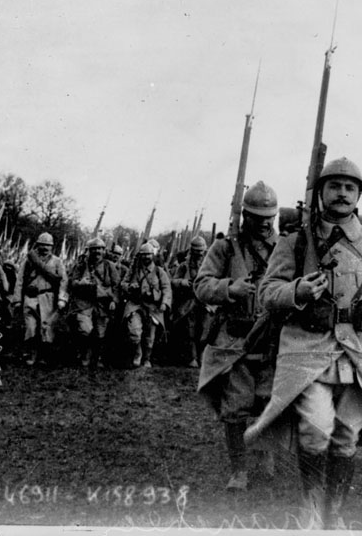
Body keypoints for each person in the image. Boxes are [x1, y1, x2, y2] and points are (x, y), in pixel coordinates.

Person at [245, 157, 362, 529]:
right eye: (333, 186)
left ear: (358, 196)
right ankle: (311, 507)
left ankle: (333, 514)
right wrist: (298, 290)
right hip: (309, 348)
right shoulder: (296, 240)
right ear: (320, 192)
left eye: (349, 187)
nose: (341, 193)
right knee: (316, 430)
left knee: (346, 436)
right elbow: (267, 293)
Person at [194, 181, 280, 492]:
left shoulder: (285, 248)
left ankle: (265, 455)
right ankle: (239, 469)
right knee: (235, 406)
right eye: (258, 216)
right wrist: (230, 288)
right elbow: (201, 285)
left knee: (269, 401)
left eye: (269, 216)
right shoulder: (224, 248)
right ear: (245, 215)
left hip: (272, 339)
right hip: (235, 341)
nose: (265, 222)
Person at [12, 233, 69, 366]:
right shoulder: (29, 261)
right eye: (42, 245)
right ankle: (32, 355)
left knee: (46, 328)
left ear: (52, 247)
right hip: (30, 296)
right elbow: (20, 280)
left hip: (48, 298)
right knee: (31, 327)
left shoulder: (57, 261)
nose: (45, 248)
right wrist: (17, 300)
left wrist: (62, 298)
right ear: (37, 245)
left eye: (48, 245)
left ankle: (44, 356)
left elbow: (63, 281)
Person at [67, 238, 121, 368]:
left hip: (103, 304)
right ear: (89, 251)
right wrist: (80, 283)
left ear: (104, 250)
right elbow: (71, 282)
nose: (97, 251)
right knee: (85, 329)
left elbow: (116, 286)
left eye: (99, 249)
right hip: (83, 303)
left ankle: (98, 357)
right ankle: (85, 353)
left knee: (100, 333)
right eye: (93, 249)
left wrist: (114, 300)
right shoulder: (80, 265)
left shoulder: (109, 266)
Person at [120, 242, 172, 368]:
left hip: (153, 307)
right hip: (136, 305)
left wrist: (164, 302)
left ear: (152, 255)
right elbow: (123, 284)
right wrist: (130, 287)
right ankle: (138, 353)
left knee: (150, 337)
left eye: (148, 254)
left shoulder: (159, 271)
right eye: (143, 255)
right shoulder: (134, 270)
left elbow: (166, 288)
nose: (146, 257)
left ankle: (147, 359)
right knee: (134, 333)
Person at [170, 236, 215, 368]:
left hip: (206, 301)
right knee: (190, 330)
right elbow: (174, 281)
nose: (199, 254)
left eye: (201, 251)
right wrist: (185, 283)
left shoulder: (211, 265)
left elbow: (218, 280)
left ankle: (202, 355)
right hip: (189, 302)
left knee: (205, 329)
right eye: (196, 251)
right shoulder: (184, 265)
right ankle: (192, 357)